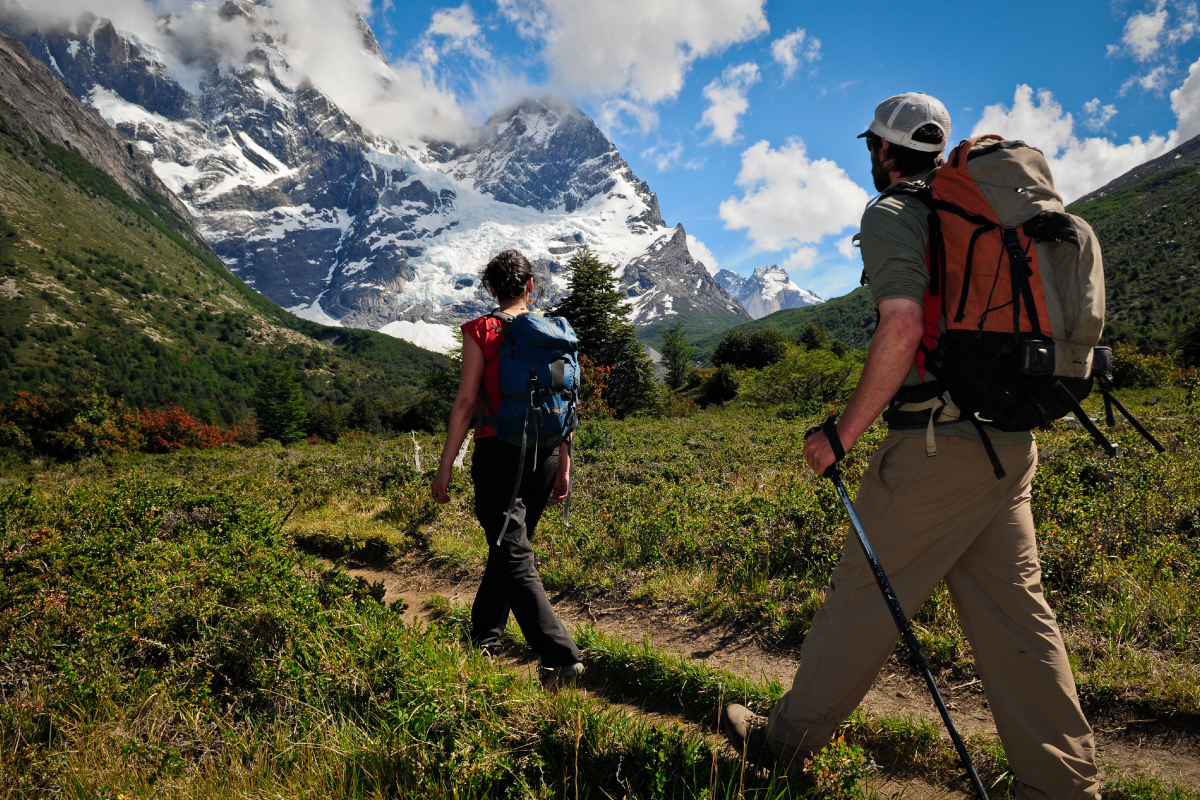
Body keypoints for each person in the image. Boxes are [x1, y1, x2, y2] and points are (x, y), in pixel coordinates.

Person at [720, 93, 1101, 800]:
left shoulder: (896, 212)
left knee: (861, 601)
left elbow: (899, 328)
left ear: (884, 150)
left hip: (935, 448)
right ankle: (1065, 787)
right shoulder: (980, 211)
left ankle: (785, 743)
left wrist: (841, 433)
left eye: (872, 146)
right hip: (1010, 441)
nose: (871, 157)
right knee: (1019, 615)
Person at [430, 249, 584, 689]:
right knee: (508, 549)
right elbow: (568, 403)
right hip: (547, 453)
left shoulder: (483, 329)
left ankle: (560, 656)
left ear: (491, 288)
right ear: (531, 286)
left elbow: (466, 403)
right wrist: (565, 466)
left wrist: (445, 467)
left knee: (512, 553)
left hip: (499, 452)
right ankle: (485, 638)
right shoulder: (555, 332)